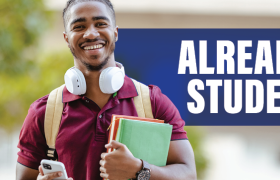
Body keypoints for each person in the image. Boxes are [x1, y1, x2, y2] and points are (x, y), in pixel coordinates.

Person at [16, 0, 197, 180]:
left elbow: (188, 175)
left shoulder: (153, 103)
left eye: (101, 24)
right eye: (79, 26)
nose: (91, 33)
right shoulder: (44, 112)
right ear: (66, 38)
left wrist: (140, 169)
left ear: (115, 32)